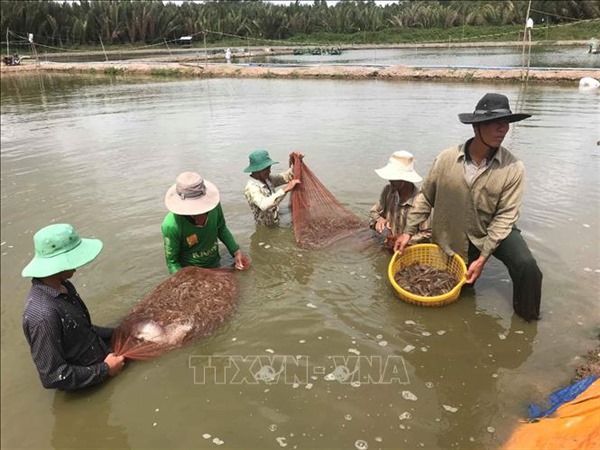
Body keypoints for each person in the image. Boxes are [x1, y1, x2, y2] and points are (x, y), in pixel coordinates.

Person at [394, 93, 543, 322]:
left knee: (527, 266)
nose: (503, 130)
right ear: (476, 127)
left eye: (506, 124)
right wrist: (408, 231)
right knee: (458, 291)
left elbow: (505, 216)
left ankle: (528, 322)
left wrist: (483, 257)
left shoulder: (513, 167)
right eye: (496, 123)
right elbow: (425, 197)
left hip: (493, 229)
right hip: (453, 231)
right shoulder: (446, 159)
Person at [21, 223, 125, 390]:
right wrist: (105, 370)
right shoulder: (42, 315)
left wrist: (118, 332)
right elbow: (53, 376)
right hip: (87, 389)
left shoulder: (64, 286)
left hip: (103, 362)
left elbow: (82, 330)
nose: (77, 266)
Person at [162, 171, 249, 274]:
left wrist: (236, 252)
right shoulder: (171, 225)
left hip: (215, 263)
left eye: (203, 211)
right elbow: (172, 262)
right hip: (191, 272)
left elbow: (221, 228)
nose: (200, 216)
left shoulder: (214, 206)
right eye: (193, 213)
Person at [369, 150, 431, 250]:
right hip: (388, 244)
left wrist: (406, 239)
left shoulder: (421, 201)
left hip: (410, 250)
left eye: (394, 178)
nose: (390, 180)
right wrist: (379, 219)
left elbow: (427, 233)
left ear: (405, 180)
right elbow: (373, 211)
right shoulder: (388, 191)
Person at [243, 149, 302, 226]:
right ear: (257, 170)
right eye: (266, 169)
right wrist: (286, 189)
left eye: (269, 168)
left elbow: (286, 176)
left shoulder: (267, 179)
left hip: (275, 219)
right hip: (265, 227)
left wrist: (295, 161)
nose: (269, 171)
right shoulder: (251, 187)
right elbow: (264, 205)